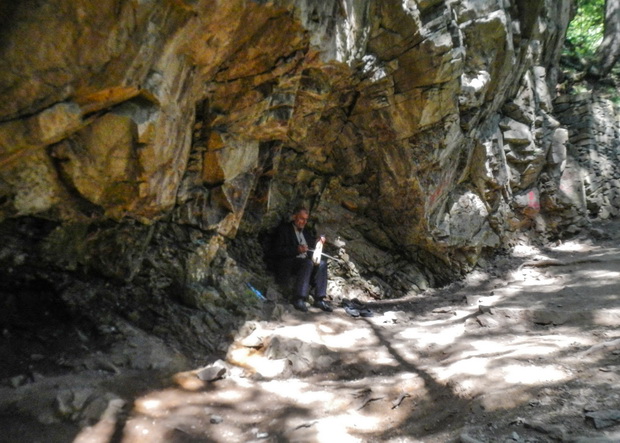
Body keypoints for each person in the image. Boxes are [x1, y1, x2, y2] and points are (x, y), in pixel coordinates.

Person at [271, 207, 332, 313]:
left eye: (306, 219)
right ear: (294, 217)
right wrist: (296, 250)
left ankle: (319, 299)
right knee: (307, 263)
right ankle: (299, 298)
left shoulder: (306, 232)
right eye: (301, 218)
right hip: (289, 262)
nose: (304, 222)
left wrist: (318, 241)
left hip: (304, 262)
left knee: (322, 264)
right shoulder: (284, 230)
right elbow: (277, 250)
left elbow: (311, 247)